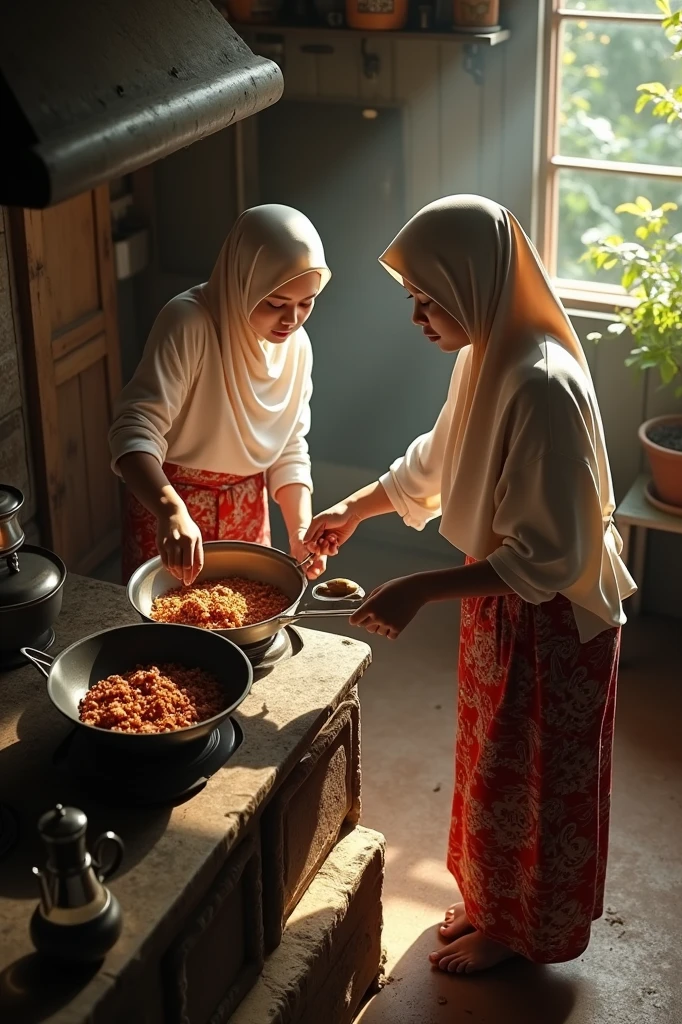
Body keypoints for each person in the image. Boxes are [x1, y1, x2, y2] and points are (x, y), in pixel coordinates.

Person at [305, 195, 636, 974]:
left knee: (535, 783)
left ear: (476, 282)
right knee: (493, 765)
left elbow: (550, 557)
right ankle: (496, 905)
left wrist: (416, 588)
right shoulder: (486, 352)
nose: (419, 315)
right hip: (504, 602)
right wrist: (356, 507)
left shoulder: (543, 384)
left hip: (553, 619)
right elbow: (439, 460)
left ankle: (520, 931)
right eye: (413, 298)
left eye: (430, 297)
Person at [109, 204, 331, 585]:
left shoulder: (297, 346)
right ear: (243, 281)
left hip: (246, 513)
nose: (292, 320)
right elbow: (133, 432)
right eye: (276, 303)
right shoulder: (189, 323)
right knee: (166, 633)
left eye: (306, 303)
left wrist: (298, 530)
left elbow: (290, 447)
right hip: (173, 511)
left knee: (238, 625)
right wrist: (171, 511)